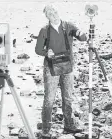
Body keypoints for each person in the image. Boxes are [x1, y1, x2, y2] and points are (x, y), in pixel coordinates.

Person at [35, 4, 88, 138]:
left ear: (58, 12)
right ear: (46, 16)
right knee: (49, 99)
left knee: (68, 97)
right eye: (49, 13)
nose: (53, 14)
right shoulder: (44, 30)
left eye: (54, 11)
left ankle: (69, 125)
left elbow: (83, 38)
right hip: (51, 68)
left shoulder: (68, 26)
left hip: (67, 67)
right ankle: (46, 129)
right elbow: (37, 49)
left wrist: (81, 34)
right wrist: (47, 52)